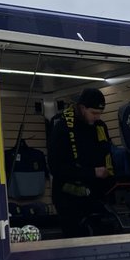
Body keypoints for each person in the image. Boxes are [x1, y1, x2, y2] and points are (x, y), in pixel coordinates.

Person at [47, 87, 117, 236]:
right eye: (94, 113)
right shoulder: (62, 127)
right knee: (77, 241)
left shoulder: (100, 126)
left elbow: (106, 154)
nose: (97, 117)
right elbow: (56, 167)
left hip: (96, 197)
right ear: (82, 107)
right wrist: (92, 172)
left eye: (100, 113)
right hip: (68, 199)